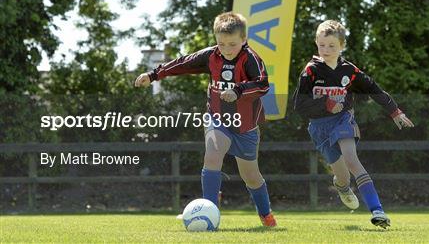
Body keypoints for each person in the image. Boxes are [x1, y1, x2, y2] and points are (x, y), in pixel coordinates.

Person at [135, 12, 276, 227]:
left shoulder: (251, 59)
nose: (227, 49)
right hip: (217, 118)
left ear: (244, 40)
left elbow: (263, 84)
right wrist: (154, 75)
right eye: (221, 44)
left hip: (245, 127)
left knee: (251, 176)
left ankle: (266, 214)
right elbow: (182, 63)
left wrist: (238, 90)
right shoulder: (211, 56)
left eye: (232, 44)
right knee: (212, 155)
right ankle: (210, 212)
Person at [293, 20, 414, 229]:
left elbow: (374, 89)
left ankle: (377, 211)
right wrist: (326, 104)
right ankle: (342, 186)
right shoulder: (311, 71)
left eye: (332, 46)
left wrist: (395, 111)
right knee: (342, 175)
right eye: (322, 45)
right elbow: (299, 105)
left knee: (351, 159)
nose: (326, 50)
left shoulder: (349, 71)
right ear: (316, 43)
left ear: (342, 46)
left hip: (343, 120)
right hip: (319, 127)